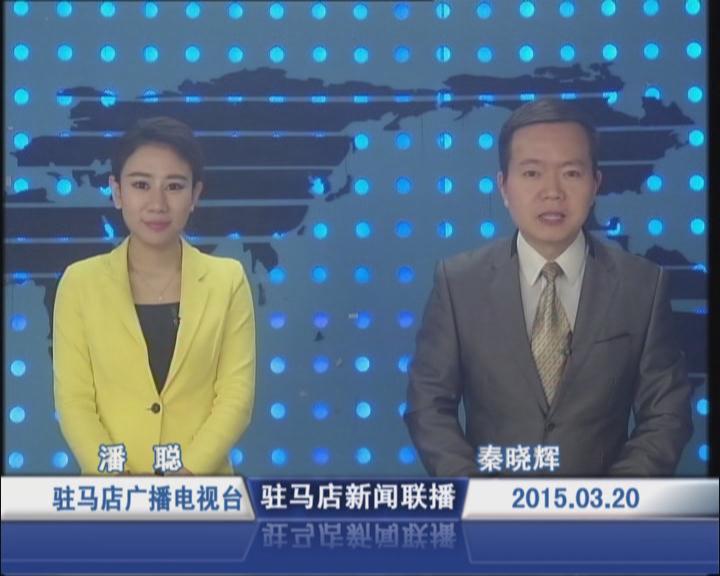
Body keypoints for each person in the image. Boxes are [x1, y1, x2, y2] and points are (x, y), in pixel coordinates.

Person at [405, 98, 693, 476]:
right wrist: (478, 496)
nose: (552, 192)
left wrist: (613, 499)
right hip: (491, 505)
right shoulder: (459, 283)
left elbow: (667, 413)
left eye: (571, 173)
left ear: (595, 184)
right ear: (504, 187)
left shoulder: (642, 286)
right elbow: (428, 407)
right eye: (531, 173)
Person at [53, 116, 255, 475]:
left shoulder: (227, 281)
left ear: (194, 195)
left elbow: (235, 398)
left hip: (201, 492)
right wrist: (116, 479)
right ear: (117, 192)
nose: (157, 203)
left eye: (174, 186)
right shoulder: (80, 283)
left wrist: (186, 475)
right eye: (141, 185)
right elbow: (75, 402)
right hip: (112, 492)